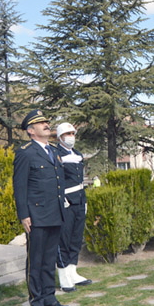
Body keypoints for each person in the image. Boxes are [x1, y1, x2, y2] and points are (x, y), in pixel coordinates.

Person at [13, 110, 72, 306]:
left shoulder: (54, 151)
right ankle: (37, 302)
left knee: (49, 259)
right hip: (36, 215)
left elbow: (59, 183)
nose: (47, 125)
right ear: (31, 130)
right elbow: (19, 187)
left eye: (47, 121)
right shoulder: (25, 152)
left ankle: (49, 297)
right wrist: (24, 215)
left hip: (54, 212)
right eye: (41, 123)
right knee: (36, 260)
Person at [54, 123, 92, 292]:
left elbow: (80, 181)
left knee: (76, 238)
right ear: (60, 137)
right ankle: (63, 276)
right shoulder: (56, 154)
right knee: (64, 238)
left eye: (73, 133)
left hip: (78, 200)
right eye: (67, 134)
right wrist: (61, 199)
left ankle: (72, 271)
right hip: (66, 201)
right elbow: (57, 180)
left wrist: (84, 201)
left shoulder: (77, 154)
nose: (71, 136)